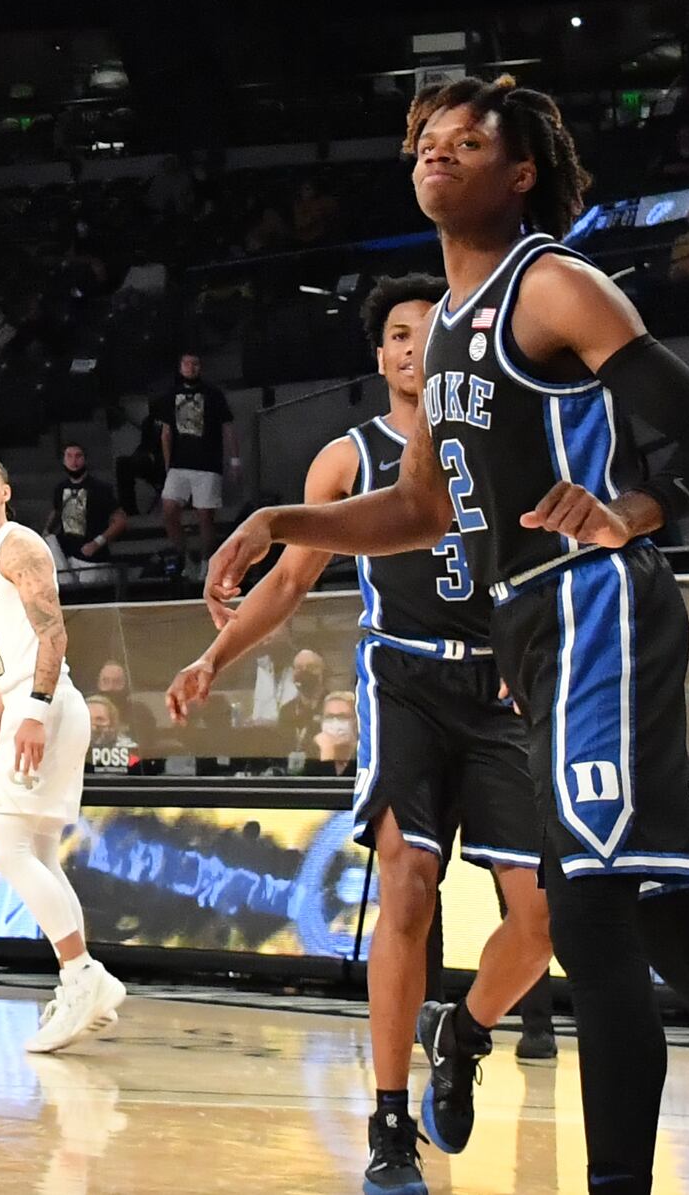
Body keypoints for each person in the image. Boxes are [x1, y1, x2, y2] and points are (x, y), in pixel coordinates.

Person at [210, 77, 689, 1195]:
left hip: (598, 604)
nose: (437, 155)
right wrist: (278, 517)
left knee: (591, 915)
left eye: (467, 143)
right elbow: (419, 508)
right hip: (530, 625)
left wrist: (633, 509)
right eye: (427, 143)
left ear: (521, 174)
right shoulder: (446, 328)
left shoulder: (551, 286)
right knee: (673, 925)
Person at [173, 276, 552, 1189]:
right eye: (396, 334)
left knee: (543, 917)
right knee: (408, 886)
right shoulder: (348, 457)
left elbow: (538, 559)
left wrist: (528, 637)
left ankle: (460, 1034)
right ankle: (389, 1124)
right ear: (378, 356)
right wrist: (214, 657)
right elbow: (292, 580)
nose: (413, 345)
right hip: (404, 677)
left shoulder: (500, 442)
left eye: (430, 331)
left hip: (497, 687)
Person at [0, 452, 124, 1053]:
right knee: (42, 856)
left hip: (46, 705)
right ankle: (83, 981)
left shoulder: (17, 546)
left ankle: (82, 976)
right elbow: (12, 656)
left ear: (5, 491)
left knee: (7, 850)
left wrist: (34, 710)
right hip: (29, 703)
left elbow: (54, 635)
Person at [155, 351, 232, 580]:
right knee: (169, 511)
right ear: (180, 367)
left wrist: (234, 459)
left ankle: (208, 562)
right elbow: (166, 433)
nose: (191, 367)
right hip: (179, 463)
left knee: (205, 516)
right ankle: (185, 557)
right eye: (186, 364)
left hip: (207, 463)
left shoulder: (213, 394)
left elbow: (227, 426)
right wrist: (168, 466)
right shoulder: (171, 395)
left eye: (195, 363)